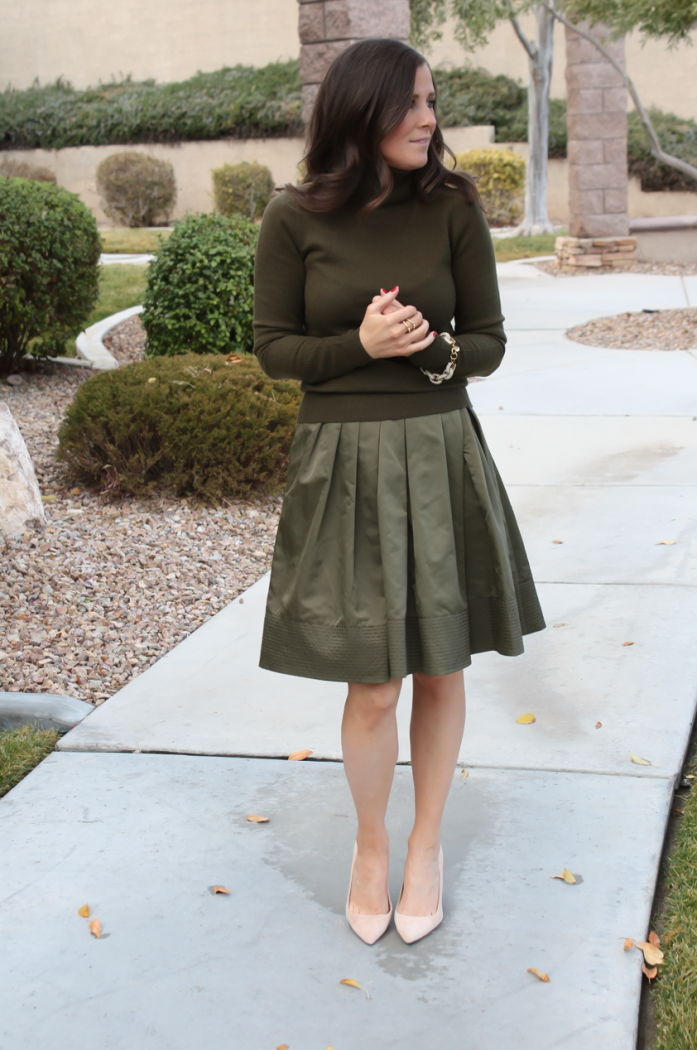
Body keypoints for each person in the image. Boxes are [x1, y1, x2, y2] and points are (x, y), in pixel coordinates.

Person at [253, 38, 545, 946]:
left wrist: (428, 350)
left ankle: (426, 845)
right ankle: (370, 847)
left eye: (430, 101)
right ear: (359, 112)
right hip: (340, 460)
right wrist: (362, 349)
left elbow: (487, 346)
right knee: (372, 681)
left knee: (440, 664)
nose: (428, 119)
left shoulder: (452, 207)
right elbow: (275, 351)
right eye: (409, 104)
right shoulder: (292, 216)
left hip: (437, 450)